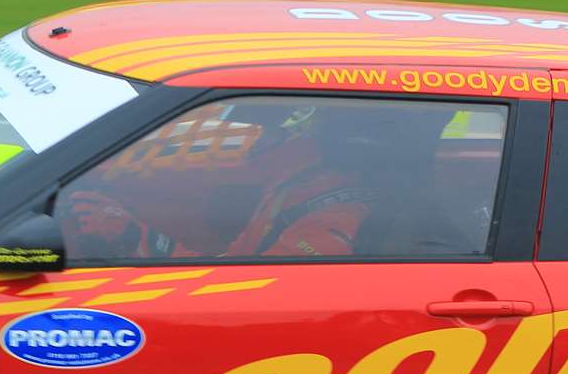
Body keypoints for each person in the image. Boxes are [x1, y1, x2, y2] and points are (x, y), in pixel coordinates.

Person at [65, 102, 448, 259]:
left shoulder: (332, 222)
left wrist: (138, 238)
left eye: (320, 116)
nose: (305, 127)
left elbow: (240, 297)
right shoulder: (311, 165)